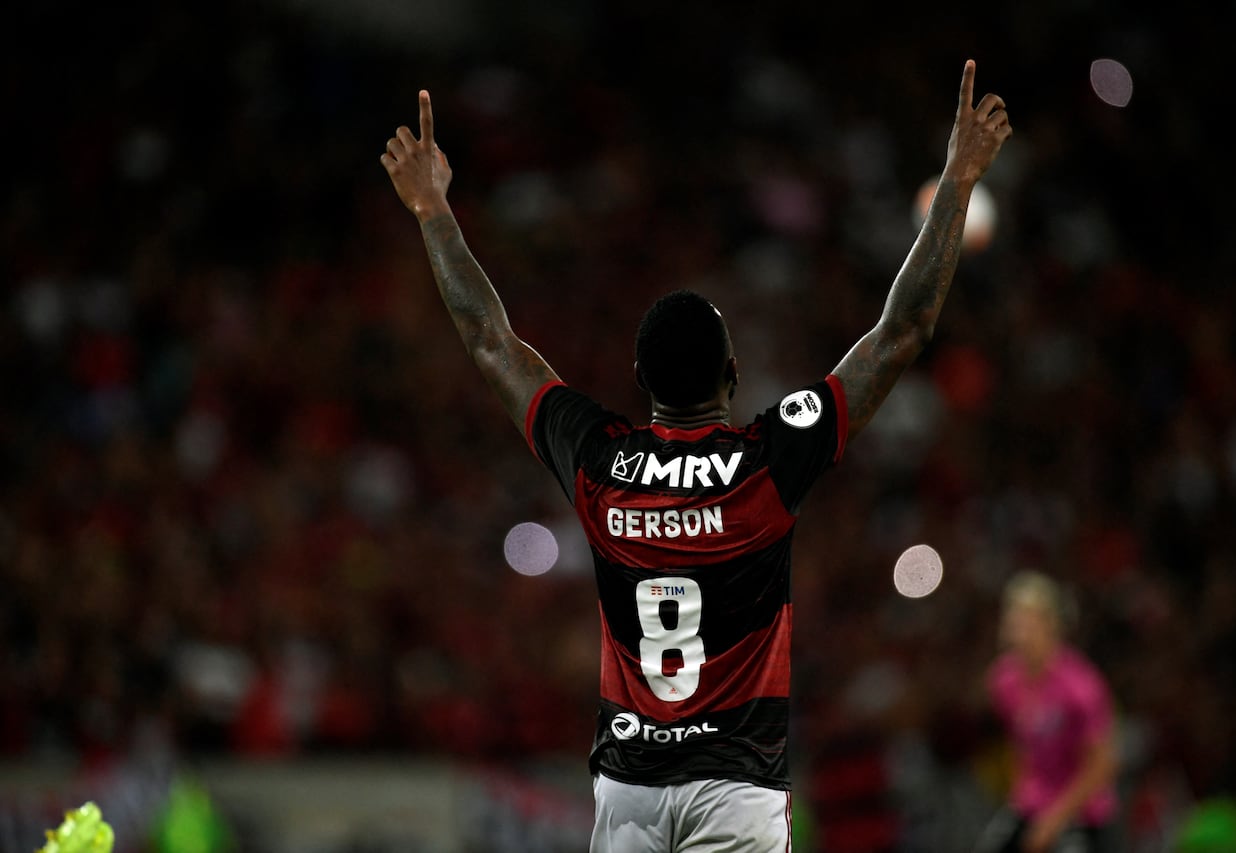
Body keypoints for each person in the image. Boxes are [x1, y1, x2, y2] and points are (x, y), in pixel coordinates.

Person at [381, 59, 1011, 852]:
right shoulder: (768, 464)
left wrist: (432, 208)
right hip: (739, 789)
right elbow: (902, 332)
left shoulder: (598, 461)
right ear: (735, 375)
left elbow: (489, 341)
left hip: (630, 792)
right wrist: (956, 179)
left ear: (640, 381)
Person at [975, 571, 1120, 853]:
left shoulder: (1081, 686)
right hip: (1031, 803)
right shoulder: (1003, 681)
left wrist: (1053, 820)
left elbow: (1102, 766)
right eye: (1014, 619)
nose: (1018, 629)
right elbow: (1023, 747)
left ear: (1051, 624)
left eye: (1028, 620)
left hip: (1081, 812)